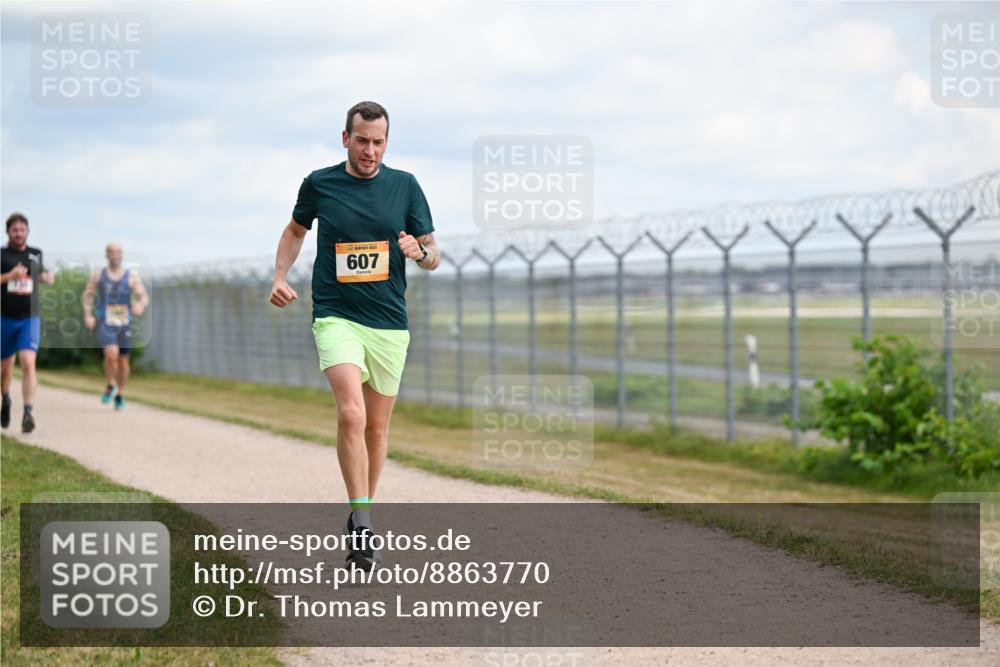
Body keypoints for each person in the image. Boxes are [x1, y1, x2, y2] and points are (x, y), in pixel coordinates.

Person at [270, 101, 440, 570]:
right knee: (351, 412)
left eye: (379, 142)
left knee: (377, 428)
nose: (370, 150)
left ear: (388, 142)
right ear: (346, 138)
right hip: (335, 314)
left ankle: (360, 510)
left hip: (388, 321)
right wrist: (280, 276)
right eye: (362, 140)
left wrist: (418, 252)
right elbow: (294, 230)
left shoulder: (405, 187)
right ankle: (363, 525)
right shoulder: (320, 183)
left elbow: (433, 255)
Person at [1, 212, 54, 433]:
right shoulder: (2, 255)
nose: (19, 233)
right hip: (4, 318)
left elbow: (40, 275)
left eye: (22, 230)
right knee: (5, 369)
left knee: (28, 362)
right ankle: (5, 399)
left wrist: (47, 278)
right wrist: (9, 277)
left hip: (29, 318)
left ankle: (28, 411)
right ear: (8, 232)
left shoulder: (36, 254)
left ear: (28, 232)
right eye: (15, 230)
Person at [82, 243, 149, 410]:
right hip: (106, 321)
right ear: (107, 255)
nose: (115, 255)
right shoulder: (99, 275)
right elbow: (88, 295)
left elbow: (143, 296)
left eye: (118, 252)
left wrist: (140, 305)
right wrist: (88, 315)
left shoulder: (131, 275)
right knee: (111, 353)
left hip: (125, 323)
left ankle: (120, 394)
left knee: (124, 362)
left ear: (122, 254)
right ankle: (111, 384)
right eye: (111, 252)